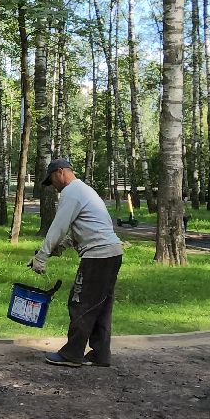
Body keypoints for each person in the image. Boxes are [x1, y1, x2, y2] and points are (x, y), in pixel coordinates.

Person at [28, 158, 125, 368]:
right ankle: (100, 354)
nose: (52, 185)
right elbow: (78, 231)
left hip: (97, 257)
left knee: (80, 302)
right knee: (101, 306)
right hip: (112, 253)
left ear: (60, 172)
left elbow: (59, 227)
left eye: (51, 180)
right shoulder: (86, 191)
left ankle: (72, 354)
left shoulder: (71, 192)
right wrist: (54, 250)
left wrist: (42, 257)